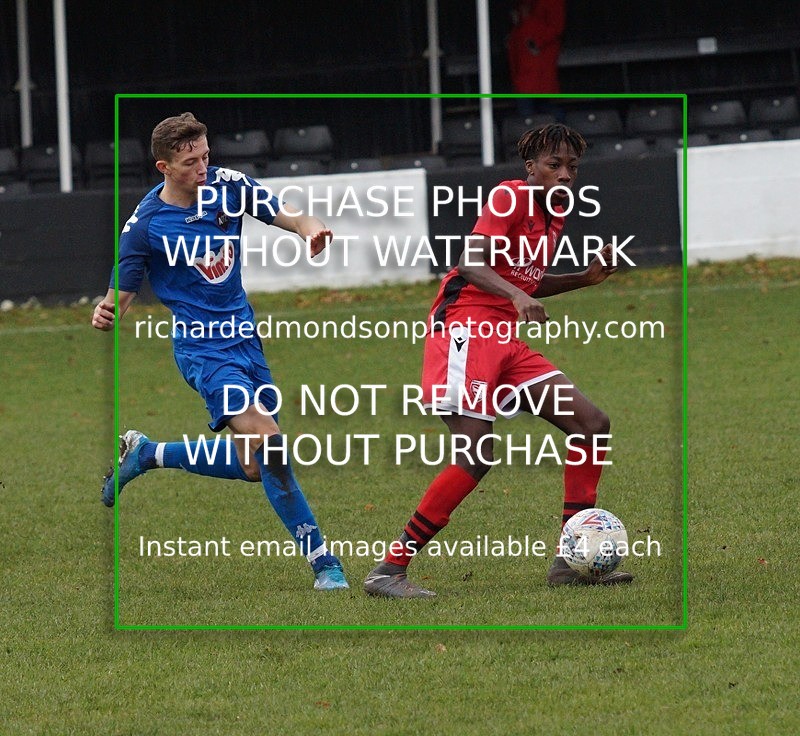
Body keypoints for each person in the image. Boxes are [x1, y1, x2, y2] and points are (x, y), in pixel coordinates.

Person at [364, 123, 634, 598]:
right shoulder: (510, 198)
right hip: (464, 332)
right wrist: (515, 295)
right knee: (476, 455)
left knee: (591, 424)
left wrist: (584, 279)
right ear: (531, 168)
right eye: (554, 165)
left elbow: (527, 280)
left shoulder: (555, 212)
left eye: (572, 166)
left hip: (503, 338)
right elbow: (469, 263)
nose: (566, 174)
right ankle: (389, 571)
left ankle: (571, 561)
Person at [92, 112, 348, 591]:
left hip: (246, 341)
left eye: (206, 156)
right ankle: (325, 563)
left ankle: (148, 455)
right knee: (270, 441)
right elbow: (120, 292)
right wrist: (107, 312)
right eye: (190, 162)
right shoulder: (146, 225)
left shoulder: (227, 187)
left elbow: (288, 213)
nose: (203, 168)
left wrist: (311, 230)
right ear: (162, 166)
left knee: (254, 466)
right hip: (202, 351)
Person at [507, 0, 566, 119]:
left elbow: (555, 27)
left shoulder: (548, 5)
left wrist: (533, 41)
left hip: (534, 68)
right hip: (527, 69)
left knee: (530, 114)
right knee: (540, 109)